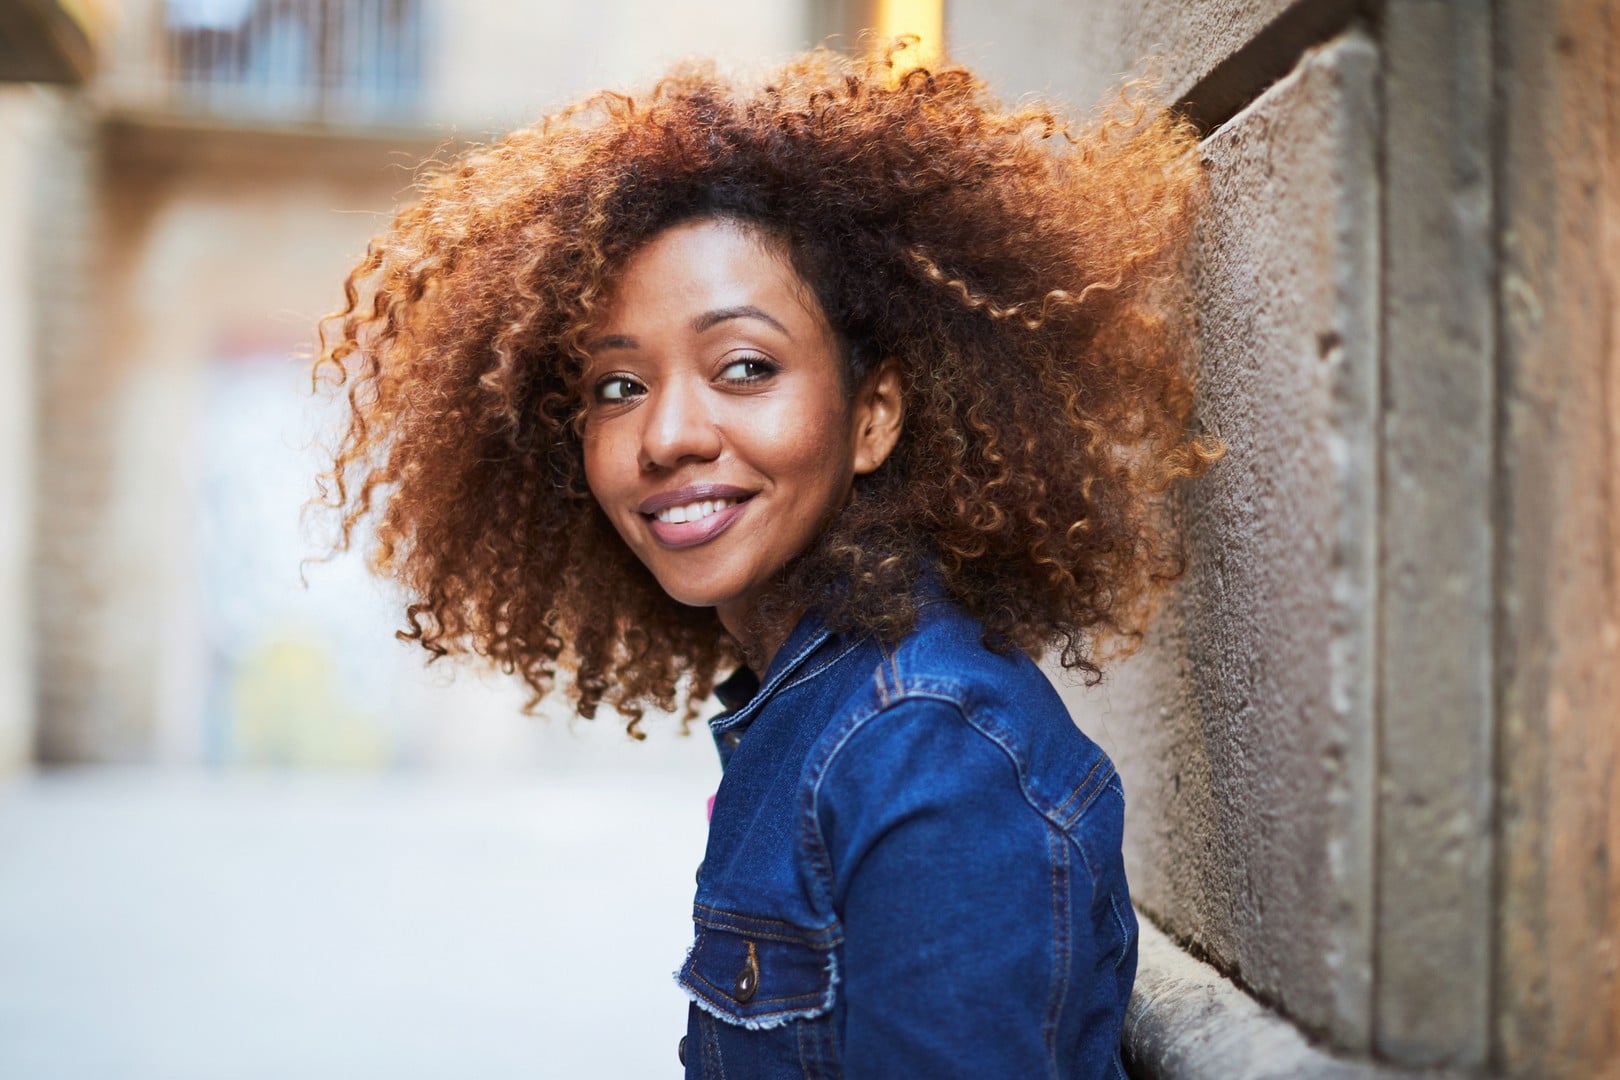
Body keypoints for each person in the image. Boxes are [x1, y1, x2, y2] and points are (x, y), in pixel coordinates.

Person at [314, 41, 1215, 1079]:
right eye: (618, 387)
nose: (667, 436)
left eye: (744, 367)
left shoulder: (927, 756)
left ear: (873, 417)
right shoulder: (808, 706)